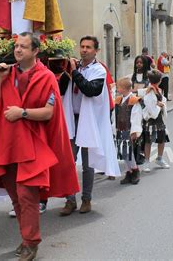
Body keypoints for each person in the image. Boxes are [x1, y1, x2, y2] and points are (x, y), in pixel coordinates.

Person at [0, 32, 79, 261]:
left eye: (24, 47)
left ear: (35, 51)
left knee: (27, 196)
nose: (18, 50)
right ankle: (26, 238)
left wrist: (22, 113)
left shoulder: (47, 77)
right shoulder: (6, 75)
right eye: (17, 46)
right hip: (9, 145)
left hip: (34, 146)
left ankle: (32, 242)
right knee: (16, 198)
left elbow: (49, 113)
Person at [59, 36, 121, 216]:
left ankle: (86, 199)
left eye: (88, 47)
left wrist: (75, 73)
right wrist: (66, 72)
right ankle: (70, 200)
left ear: (96, 51)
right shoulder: (74, 67)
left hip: (89, 121)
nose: (84, 50)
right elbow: (61, 89)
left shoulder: (99, 70)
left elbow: (90, 89)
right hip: (73, 119)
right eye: (82, 47)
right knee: (69, 162)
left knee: (88, 163)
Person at [139, 70, 170, 172]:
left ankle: (159, 158)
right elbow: (151, 109)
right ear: (160, 80)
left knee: (162, 139)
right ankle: (147, 162)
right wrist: (158, 105)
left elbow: (161, 101)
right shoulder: (150, 92)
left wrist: (161, 103)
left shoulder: (158, 90)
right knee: (148, 141)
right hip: (151, 120)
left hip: (159, 120)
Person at [114, 77, 143, 185]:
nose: (117, 89)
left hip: (129, 129)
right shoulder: (119, 99)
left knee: (128, 152)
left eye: (119, 87)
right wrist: (114, 127)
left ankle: (135, 170)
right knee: (123, 151)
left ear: (124, 88)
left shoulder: (134, 100)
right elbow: (115, 115)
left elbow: (136, 116)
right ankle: (129, 171)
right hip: (120, 129)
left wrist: (135, 131)